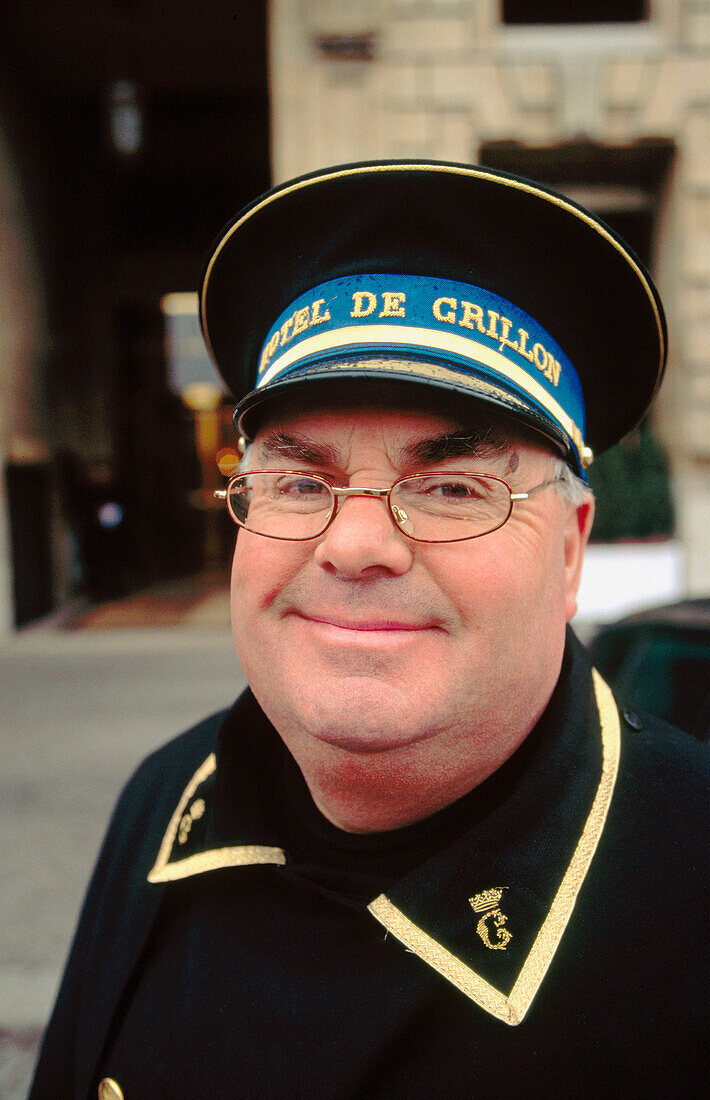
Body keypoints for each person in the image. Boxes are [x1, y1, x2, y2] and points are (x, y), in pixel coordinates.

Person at [31, 162, 707, 1099]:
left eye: (451, 488)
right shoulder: (163, 800)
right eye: (301, 481)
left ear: (568, 551)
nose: (353, 544)